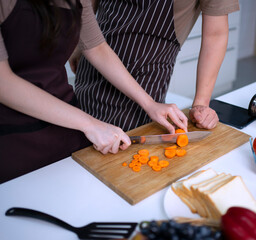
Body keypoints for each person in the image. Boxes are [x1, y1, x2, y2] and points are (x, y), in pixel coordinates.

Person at [0, 0, 187, 183]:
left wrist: (149, 104)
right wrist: (90, 124)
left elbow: (96, 47)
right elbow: (4, 83)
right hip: (12, 135)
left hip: (65, 123)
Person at [70, 0, 240, 132]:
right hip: (92, 65)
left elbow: (215, 35)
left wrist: (201, 103)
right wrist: (79, 41)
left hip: (145, 81)